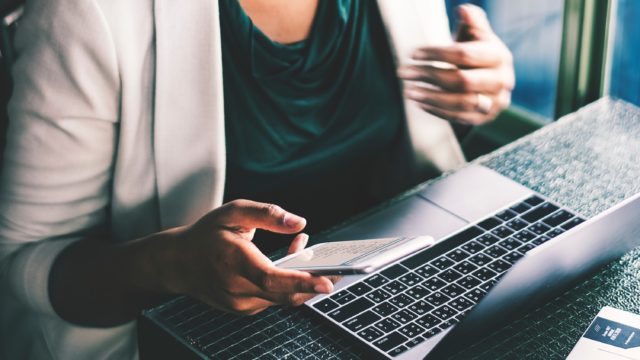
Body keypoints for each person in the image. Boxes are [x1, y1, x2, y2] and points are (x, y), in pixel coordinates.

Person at [0, 0, 514, 359]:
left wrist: (471, 96)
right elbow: (23, 259)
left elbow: (392, 136)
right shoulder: (90, 11)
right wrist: (169, 266)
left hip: (403, 301)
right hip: (218, 340)